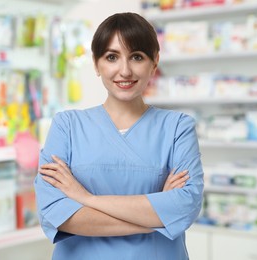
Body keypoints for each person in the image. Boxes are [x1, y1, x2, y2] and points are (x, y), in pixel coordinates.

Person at [34, 12, 204, 260]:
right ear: (96, 63)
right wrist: (157, 216)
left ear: (154, 62)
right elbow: (55, 212)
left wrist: (86, 198)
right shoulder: (67, 126)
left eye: (137, 57)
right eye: (112, 57)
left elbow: (184, 207)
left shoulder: (178, 128)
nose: (124, 70)